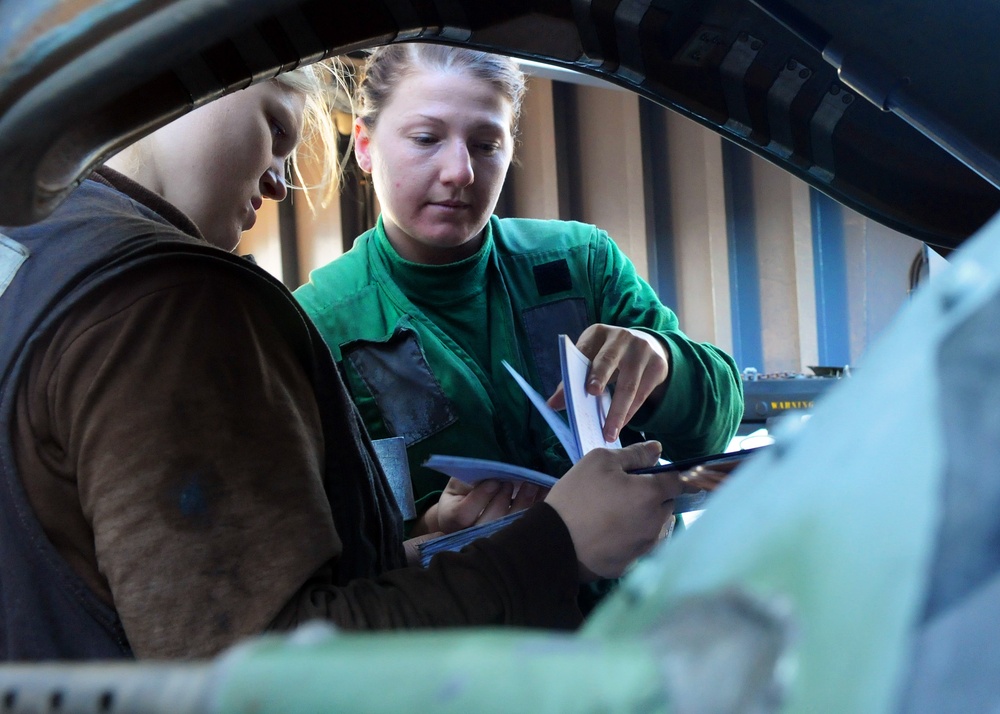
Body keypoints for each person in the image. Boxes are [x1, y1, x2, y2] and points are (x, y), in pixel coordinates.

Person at [0, 60, 685, 661]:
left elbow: (205, 595)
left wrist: (418, 544)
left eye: (486, 143)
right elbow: (269, 668)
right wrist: (555, 544)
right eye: (274, 130)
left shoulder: (40, 252)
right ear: (193, 78)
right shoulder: (181, 301)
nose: (276, 184)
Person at [294, 44, 744, 537]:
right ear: (364, 144)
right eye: (426, 138)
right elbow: (323, 540)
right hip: (467, 608)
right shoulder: (316, 324)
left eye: (486, 145)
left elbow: (717, 423)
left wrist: (664, 363)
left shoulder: (581, 261)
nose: (459, 172)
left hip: (634, 602)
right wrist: (432, 525)